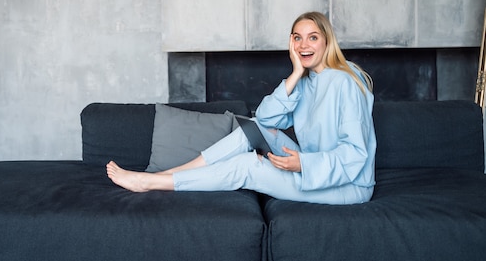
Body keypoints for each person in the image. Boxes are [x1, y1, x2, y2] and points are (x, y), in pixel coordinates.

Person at [107, 11, 376, 205]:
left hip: (347, 185)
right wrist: (294, 74)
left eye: (313, 38)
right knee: (253, 129)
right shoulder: (305, 80)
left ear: (327, 41)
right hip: (313, 167)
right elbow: (266, 117)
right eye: (297, 38)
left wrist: (302, 164)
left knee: (247, 168)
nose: (304, 45)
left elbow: (355, 155)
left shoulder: (346, 82)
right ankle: (171, 174)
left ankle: (151, 182)